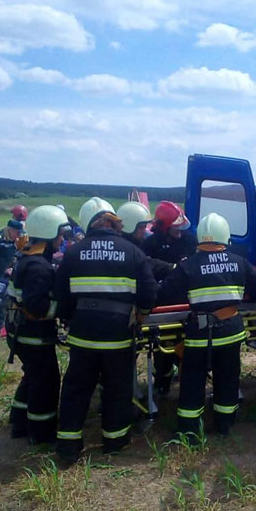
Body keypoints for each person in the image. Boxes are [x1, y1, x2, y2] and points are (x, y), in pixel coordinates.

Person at [54, 197, 157, 465]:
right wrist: (141, 315)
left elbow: (61, 295)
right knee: (117, 387)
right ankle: (115, 441)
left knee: (76, 388)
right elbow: (149, 292)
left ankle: (68, 445)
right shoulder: (132, 251)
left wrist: (67, 319)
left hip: (83, 335)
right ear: (114, 223)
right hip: (118, 335)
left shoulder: (74, 252)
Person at [157, 212, 256, 438]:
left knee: (192, 381)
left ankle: (189, 430)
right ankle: (225, 424)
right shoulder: (239, 261)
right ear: (225, 236)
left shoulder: (188, 265)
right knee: (227, 378)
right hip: (231, 332)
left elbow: (165, 294)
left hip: (200, 334)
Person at [6, 205, 70, 444]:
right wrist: (64, 310)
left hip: (20, 333)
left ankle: (19, 423)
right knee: (46, 382)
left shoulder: (28, 256)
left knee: (32, 377)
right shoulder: (39, 268)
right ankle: (41, 433)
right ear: (50, 234)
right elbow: (36, 307)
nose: (62, 239)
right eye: (60, 235)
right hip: (32, 335)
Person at [143, 201, 197, 393]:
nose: (180, 233)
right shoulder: (151, 244)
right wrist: (170, 268)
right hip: (164, 302)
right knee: (162, 351)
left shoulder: (189, 240)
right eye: (175, 229)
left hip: (185, 302)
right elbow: (146, 267)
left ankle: (188, 379)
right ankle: (162, 383)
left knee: (188, 348)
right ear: (165, 227)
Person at [117, 201, 175, 281]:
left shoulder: (139, 243)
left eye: (145, 227)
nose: (144, 231)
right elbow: (146, 262)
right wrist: (172, 267)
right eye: (141, 227)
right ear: (129, 226)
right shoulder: (126, 248)